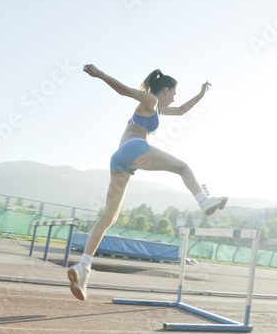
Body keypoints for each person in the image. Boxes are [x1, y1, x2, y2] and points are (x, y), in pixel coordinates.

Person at [68, 64, 228, 300]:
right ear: (165, 90)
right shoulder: (150, 101)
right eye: (173, 93)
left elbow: (183, 110)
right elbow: (124, 90)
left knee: (109, 217)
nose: (174, 98)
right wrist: (100, 74)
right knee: (183, 168)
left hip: (119, 161)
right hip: (135, 149)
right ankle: (203, 201)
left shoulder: (158, 110)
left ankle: (83, 267)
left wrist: (202, 94)